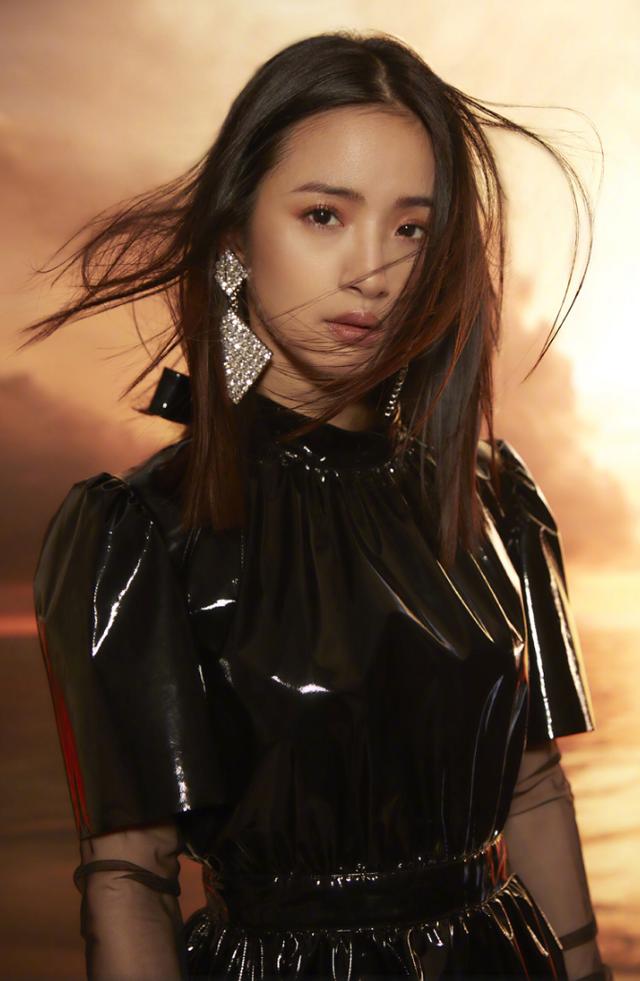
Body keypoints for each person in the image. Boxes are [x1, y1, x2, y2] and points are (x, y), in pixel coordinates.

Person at [24, 30, 612, 981]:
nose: (372, 270)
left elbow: (536, 790)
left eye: (411, 228)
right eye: (324, 215)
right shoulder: (140, 535)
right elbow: (130, 876)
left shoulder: (496, 501)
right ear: (235, 237)